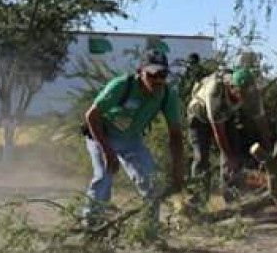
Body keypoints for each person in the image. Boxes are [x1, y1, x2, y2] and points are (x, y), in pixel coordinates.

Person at [82, 49, 185, 227]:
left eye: (163, 74)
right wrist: (107, 151)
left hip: (131, 140)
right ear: (140, 72)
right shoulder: (121, 86)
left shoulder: (167, 95)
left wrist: (178, 169)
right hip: (102, 136)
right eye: (152, 74)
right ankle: (91, 223)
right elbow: (91, 116)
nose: (158, 80)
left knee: (152, 180)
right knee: (103, 177)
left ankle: (149, 229)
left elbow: (175, 135)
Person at [186, 67, 262, 204]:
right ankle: (197, 201)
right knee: (201, 157)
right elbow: (218, 133)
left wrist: (269, 151)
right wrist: (229, 158)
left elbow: (261, 120)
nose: (245, 96)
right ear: (231, 87)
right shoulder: (215, 92)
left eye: (247, 92)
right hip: (199, 118)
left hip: (225, 116)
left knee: (234, 151)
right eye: (241, 93)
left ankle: (231, 199)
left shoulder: (251, 92)